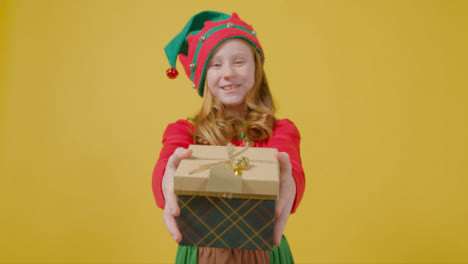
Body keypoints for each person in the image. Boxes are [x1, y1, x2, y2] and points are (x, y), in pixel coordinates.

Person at [152, 11, 305, 264]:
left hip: (264, 253)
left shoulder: (280, 130)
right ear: (202, 76)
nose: (228, 73)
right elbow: (167, 164)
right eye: (216, 64)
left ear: (257, 68)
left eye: (239, 62)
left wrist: (290, 180)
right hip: (203, 253)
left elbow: (290, 166)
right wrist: (166, 180)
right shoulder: (184, 132)